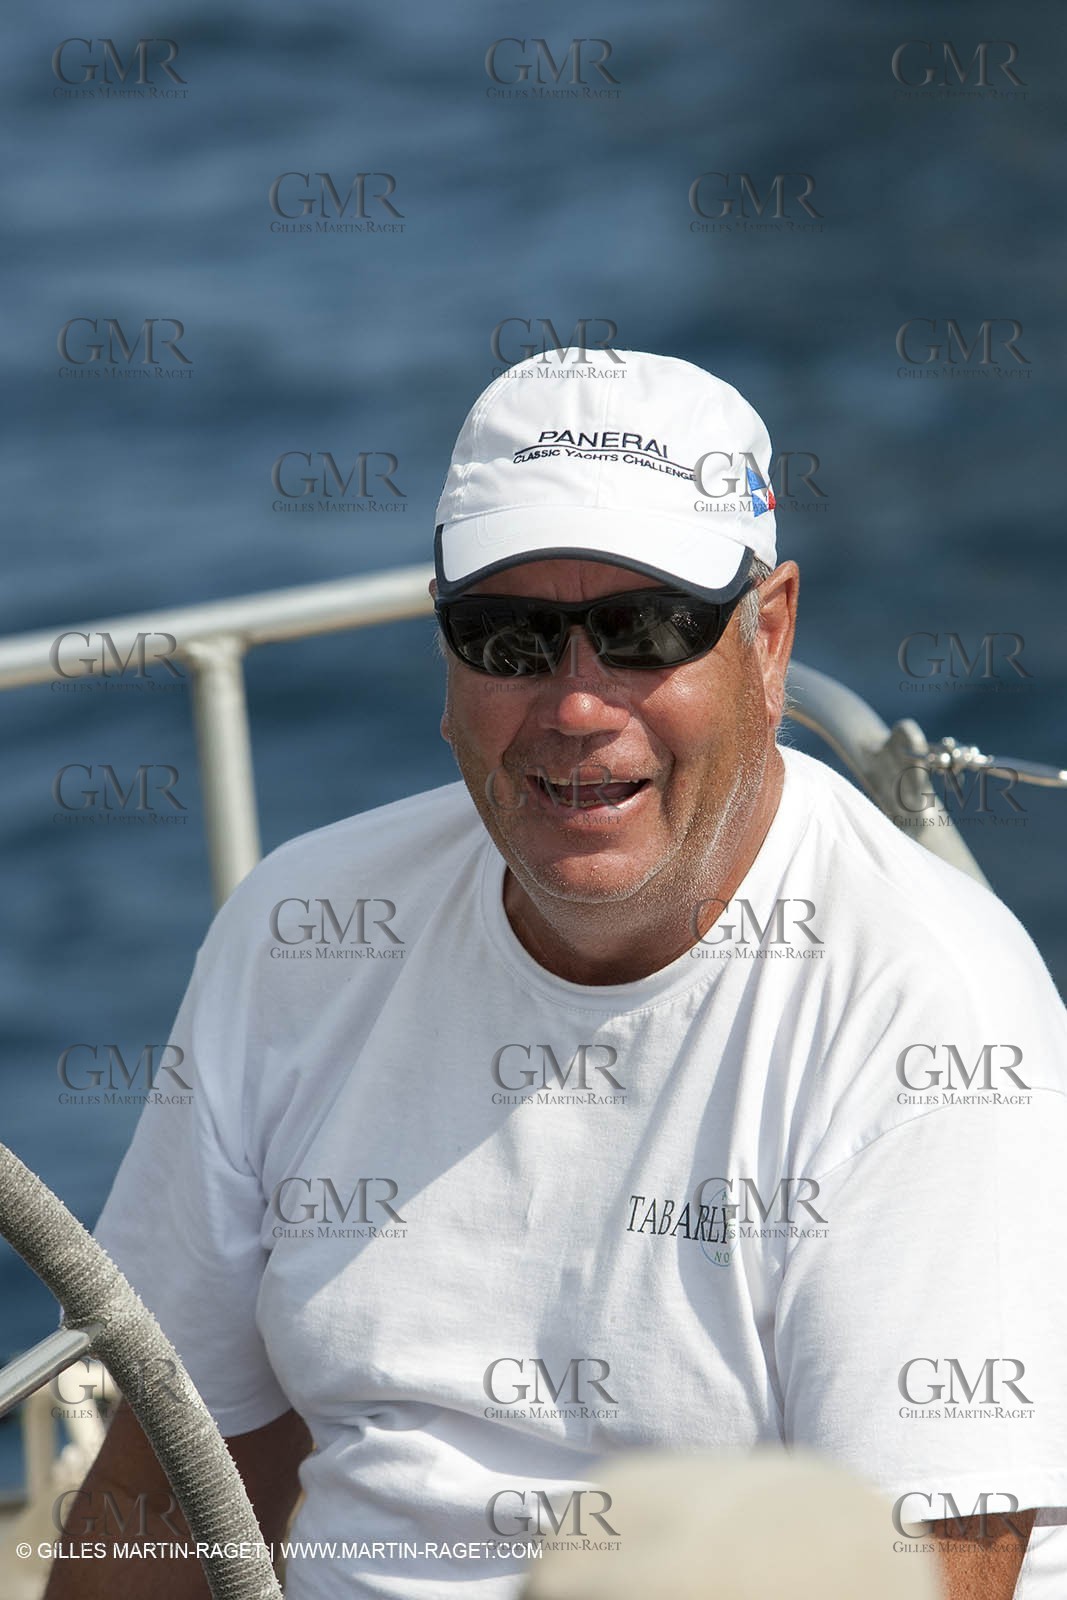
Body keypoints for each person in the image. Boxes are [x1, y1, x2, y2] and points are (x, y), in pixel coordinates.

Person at [47, 350, 1067, 1600]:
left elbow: (926, 1576)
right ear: (447, 662)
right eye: (509, 636)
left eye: (643, 630)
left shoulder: (926, 1014)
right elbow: (176, 1472)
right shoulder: (296, 932)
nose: (576, 705)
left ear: (769, 638)